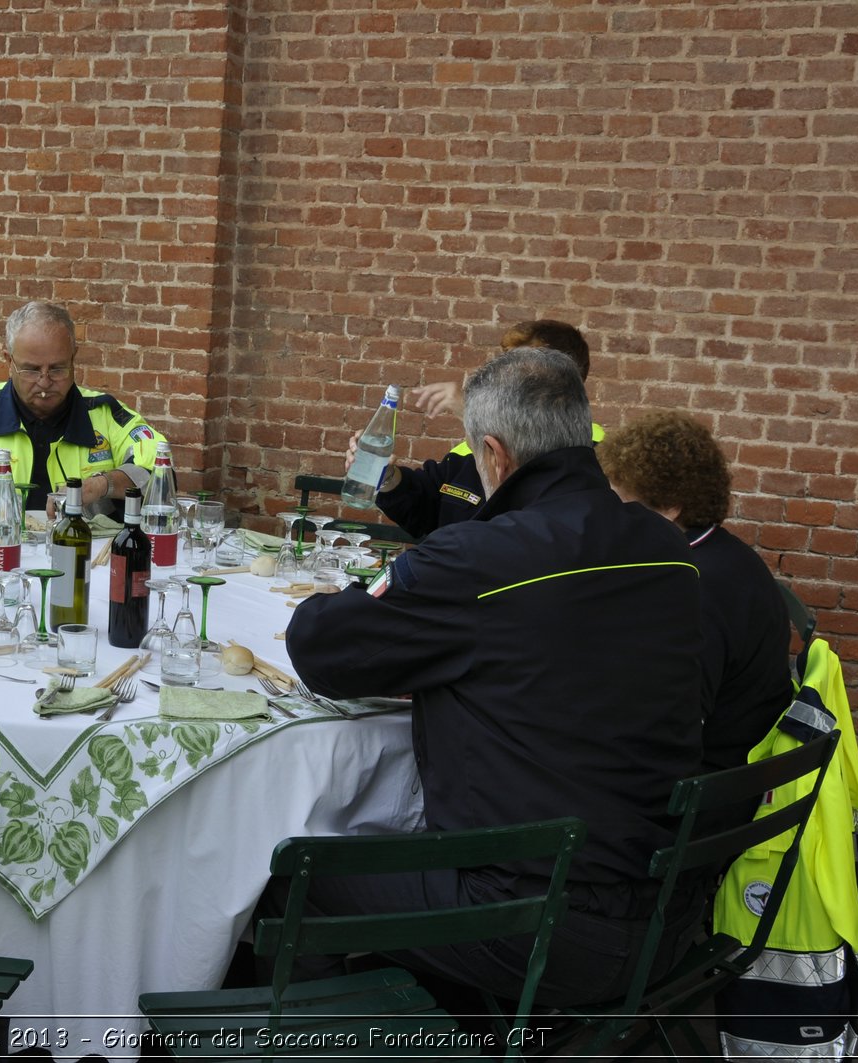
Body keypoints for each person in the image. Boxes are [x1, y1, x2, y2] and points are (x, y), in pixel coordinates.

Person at [285, 346, 706, 1008]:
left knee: (295, 879)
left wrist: (352, 598)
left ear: (496, 454)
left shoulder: (479, 558)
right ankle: (467, 1025)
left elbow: (320, 648)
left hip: (538, 923)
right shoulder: (667, 548)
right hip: (667, 907)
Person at [597, 411, 792, 774]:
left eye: (618, 500)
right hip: (731, 764)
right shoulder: (723, 555)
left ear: (669, 507)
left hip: (705, 795)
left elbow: (665, 732)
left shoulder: (692, 590)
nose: (607, 514)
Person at [360, 319, 602, 540]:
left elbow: (535, 527)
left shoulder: (593, 457)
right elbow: (425, 508)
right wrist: (388, 476)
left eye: (521, 374)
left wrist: (474, 414)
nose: (502, 378)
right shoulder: (471, 450)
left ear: (566, 384)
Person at [0, 301, 165, 516]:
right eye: (32, 370)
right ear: (8, 361)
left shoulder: (108, 415)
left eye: (57, 369)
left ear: (73, 357)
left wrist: (102, 484)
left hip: (87, 556)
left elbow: (160, 468)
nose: (45, 382)